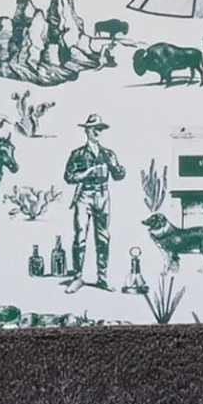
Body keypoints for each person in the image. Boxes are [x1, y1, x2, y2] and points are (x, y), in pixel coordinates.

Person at [61, 115, 122, 287]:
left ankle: (102, 278)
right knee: (80, 236)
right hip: (85, 195)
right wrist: (87, 173)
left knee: (103, 237)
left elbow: (119, 176)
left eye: (100, 128)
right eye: (94, 128)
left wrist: (115, 166)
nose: (97, 131)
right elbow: (68, 177)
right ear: (86, 131)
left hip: (103, 196)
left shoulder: (108, 153)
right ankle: (77, 277)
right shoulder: (78, 154)